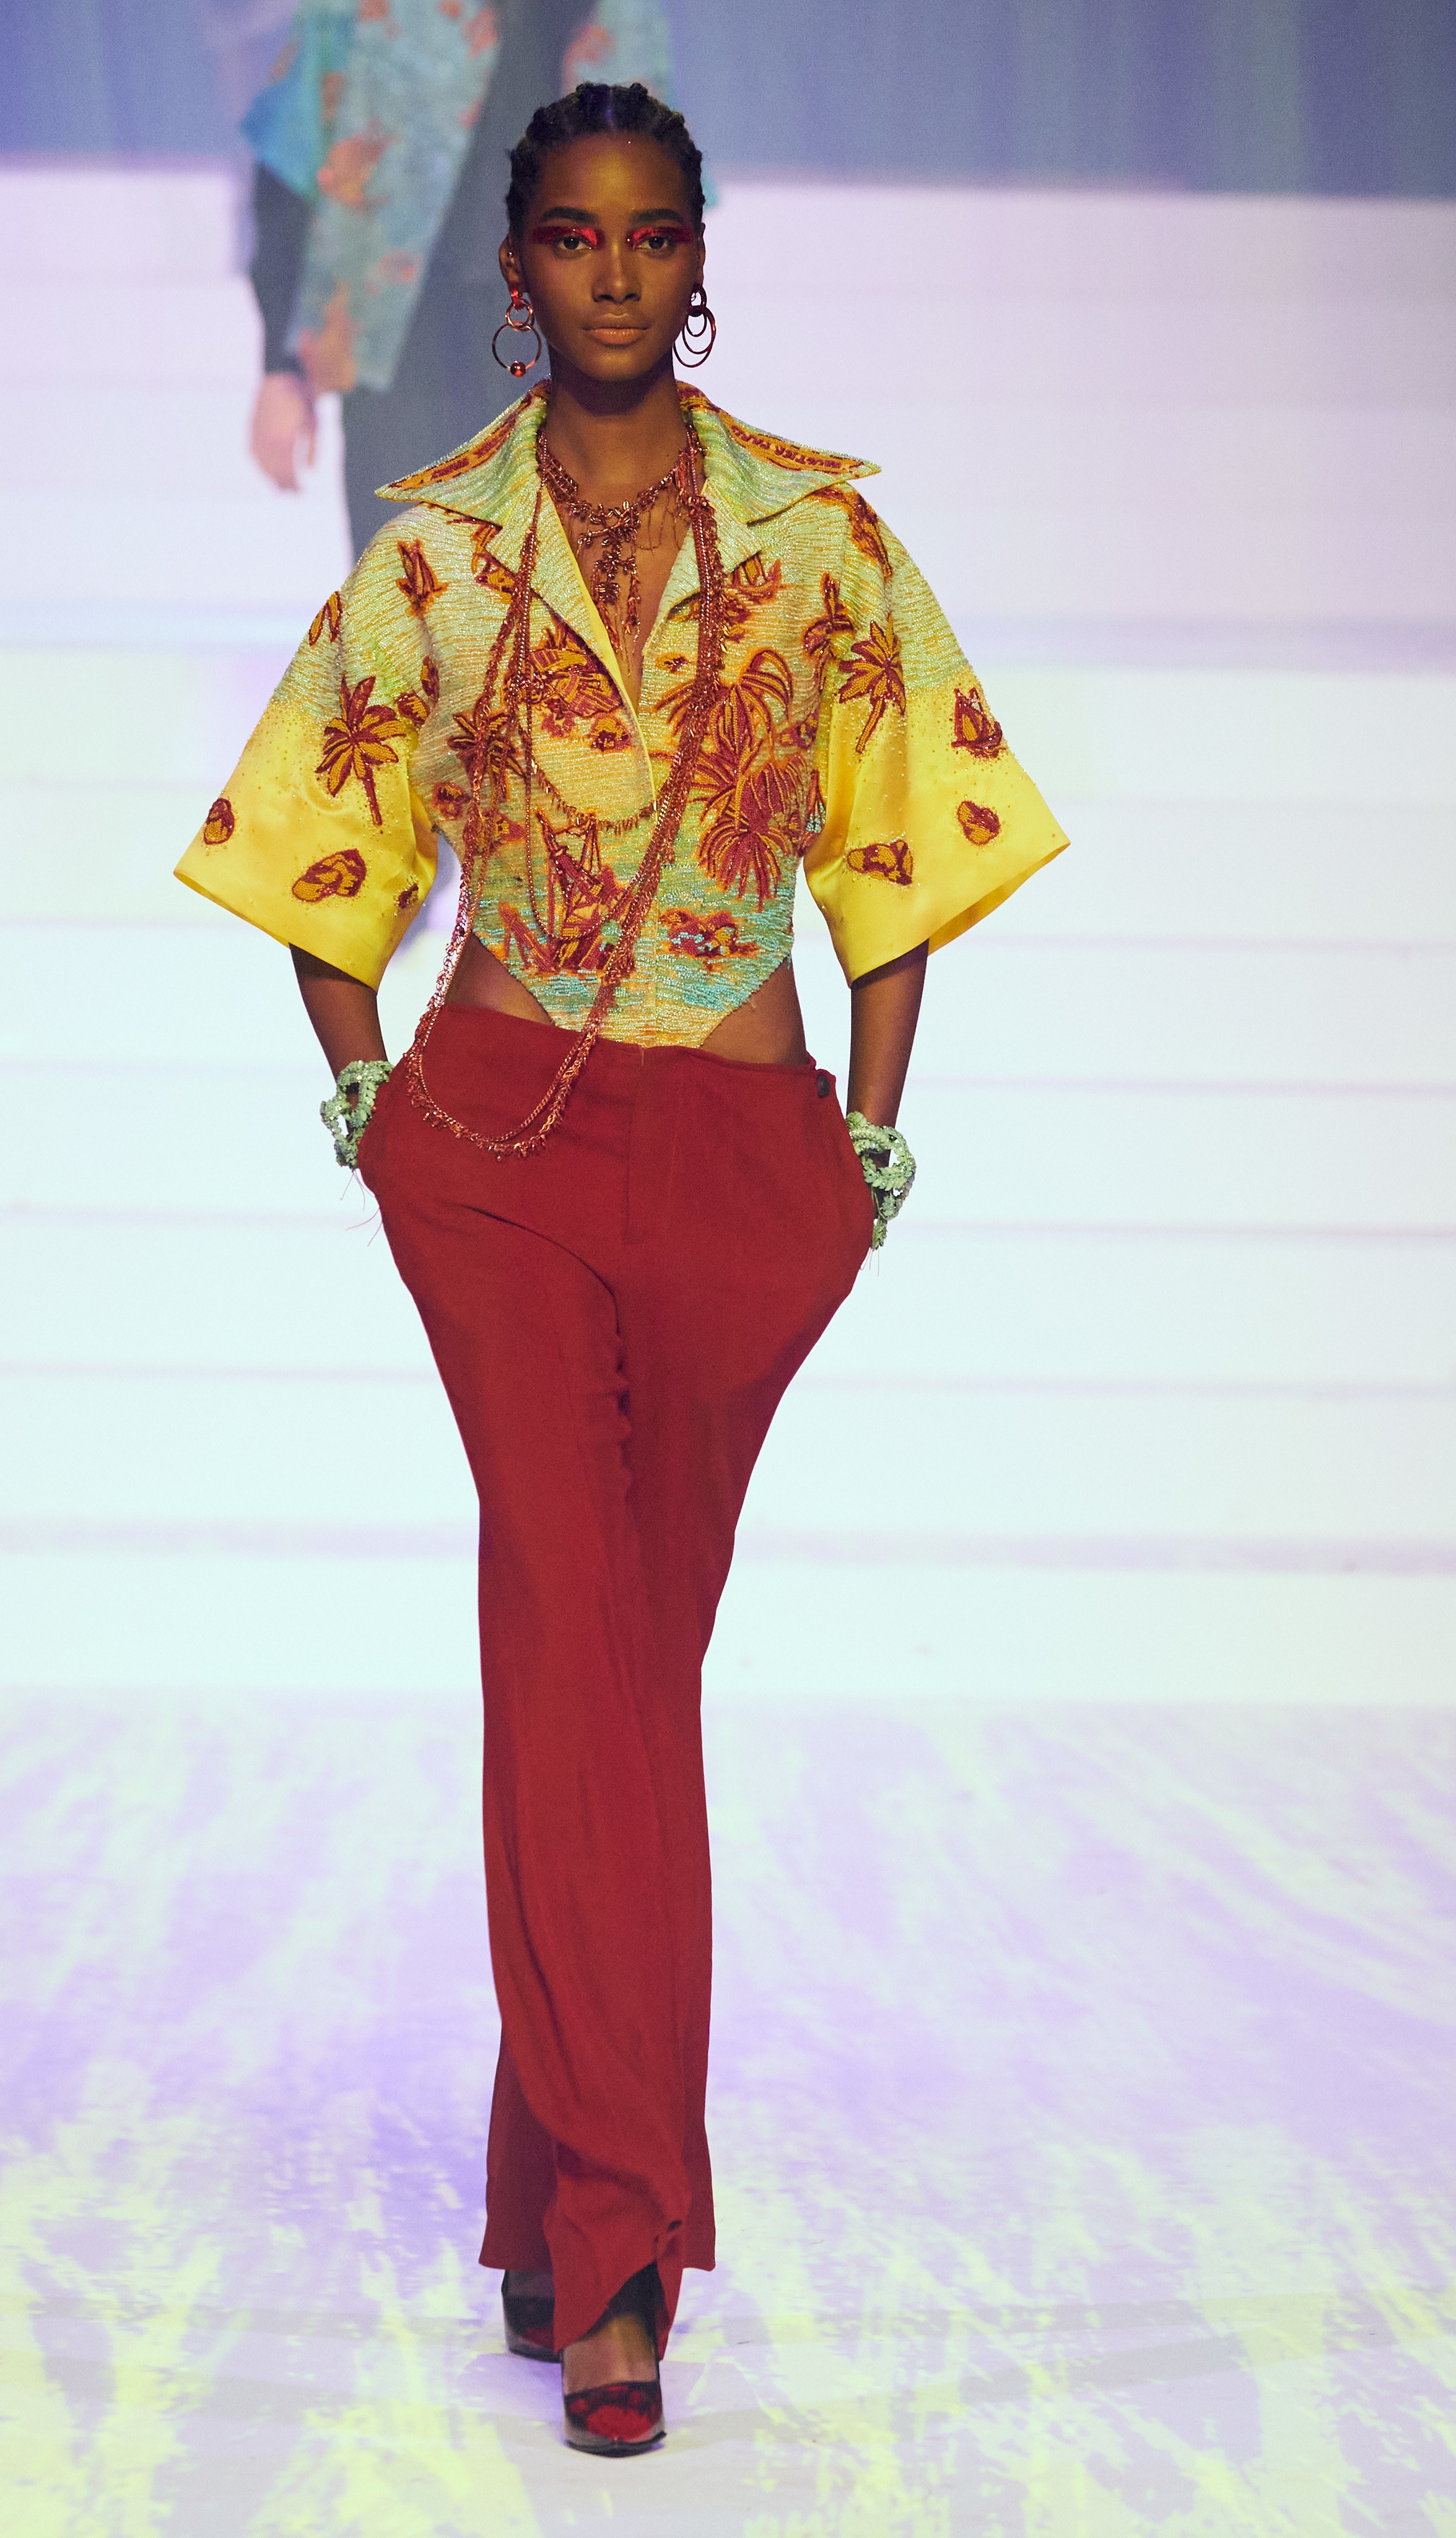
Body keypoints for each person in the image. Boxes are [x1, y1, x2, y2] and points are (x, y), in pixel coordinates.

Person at [177, 81, 1068, 2456]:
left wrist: (864, 1136)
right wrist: (370, 1104)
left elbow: (904, 848)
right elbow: (316, 847)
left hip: (744, 1157)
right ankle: (619, 2249)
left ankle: (532, 2177)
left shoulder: (819, 541)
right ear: (512, 269)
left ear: (698, 259)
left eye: (651, 234)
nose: (612, 274)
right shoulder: (436, 553)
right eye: (571, 237)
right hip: (493, 1148)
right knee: (585, 1640)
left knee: (608, 1674)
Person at [243, 0, 672, 556]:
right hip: (403, 345)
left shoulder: (616, 15)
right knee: (407, 583)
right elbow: (290, 166)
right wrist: (282, 368)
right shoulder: (358, 11)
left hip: (562, 351)